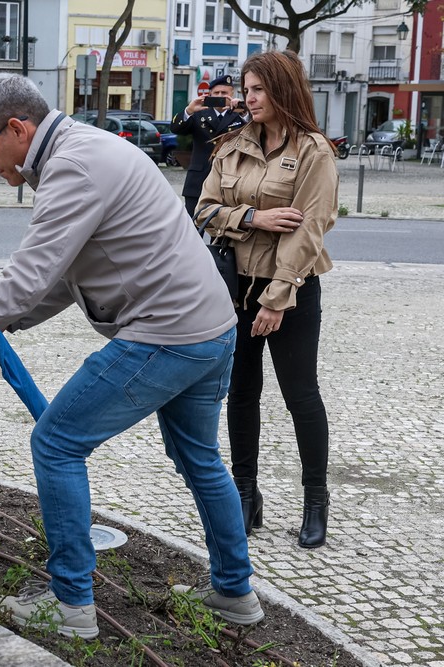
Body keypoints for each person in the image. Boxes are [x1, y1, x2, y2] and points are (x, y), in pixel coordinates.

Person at [0, 74, 263, 638]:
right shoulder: (87, 149)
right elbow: (58, 279)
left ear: (18, 129)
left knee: (55, 441)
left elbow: (25, 282)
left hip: (166, 334)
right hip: (211, 327)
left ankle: (71, 602)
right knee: (200, 459)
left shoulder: (73, 168)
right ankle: (234, 592)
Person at [196, 51, 337, 549]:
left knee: (301, 396)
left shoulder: (314, 151)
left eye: (257, 90)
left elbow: (311, 228)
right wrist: (252, 217)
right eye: (245, 89)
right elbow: (204, 208)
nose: (247, 98)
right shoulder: (231, 145)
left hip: (291, 290)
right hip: (235, 287)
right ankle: (244, 495)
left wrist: (277, 299)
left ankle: (315, 500)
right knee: (242, 392)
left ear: (282, 90)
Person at [171, 74, 249, 218]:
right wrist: (188, 110)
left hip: (228, 180)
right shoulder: (199, 112)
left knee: (222, 230)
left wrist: (244, 112)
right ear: (210, 95)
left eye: (224, 93)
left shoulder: (240, 115)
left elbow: (255, 133)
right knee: (193, 227)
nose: (220, 96)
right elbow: (176, 129)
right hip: (199, 180)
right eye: (216, 93)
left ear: (232, 94)